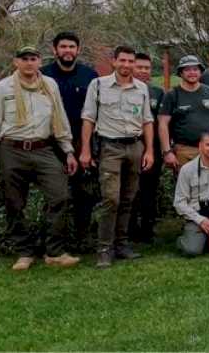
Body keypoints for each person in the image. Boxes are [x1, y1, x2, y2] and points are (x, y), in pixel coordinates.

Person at [0, 46, 81, 271]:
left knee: (60, 196)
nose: (29, 63)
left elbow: (60, 119)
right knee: (14, 202)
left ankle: (54, 251)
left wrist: (68, 151)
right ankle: (24, 252)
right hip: (12, 149)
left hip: (43, 148)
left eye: (33, 59)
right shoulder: (2, 88)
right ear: (16, 62)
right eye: (24, 59)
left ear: (39, 62)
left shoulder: (50, 85)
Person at [80, 46, 155, 268]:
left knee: (128, 198)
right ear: (114, 62)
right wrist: (85, 150)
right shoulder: (99, 85)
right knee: (110, 198)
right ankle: (104, 248)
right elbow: (88, 118)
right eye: (122, 60)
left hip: (135, 146)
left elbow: (147, 120)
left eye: (130, 61)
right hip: (110, 147)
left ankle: (122, 245)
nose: (126, 65)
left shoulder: (141, 88)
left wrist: (149, 149)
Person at [40, 31, 98, 252]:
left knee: (84, 194)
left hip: (82, 143)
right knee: (56, 196)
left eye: (71, 47)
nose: (67, 51)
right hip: (50, 144)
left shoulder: (89, 76)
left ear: (78, 50)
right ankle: (54, 242)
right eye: (63, 46)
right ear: (55, 50)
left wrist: (89, 148)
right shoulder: (43, 75)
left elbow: (94, 112)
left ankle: (82, 239)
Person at [159, 55, 209, 169]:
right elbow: (163, 124)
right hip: (184, 150)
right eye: (187, 69)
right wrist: (167, 152)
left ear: (200, 72)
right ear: (180, 73)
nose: (192, 73)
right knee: (185, 185)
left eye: (195, 69)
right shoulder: (172, 95)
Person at [128, 52, 165, 242]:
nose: (143, 71)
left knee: (150, 190)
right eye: (139, 67)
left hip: (154, 149)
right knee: (130, 191)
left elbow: (164, 122)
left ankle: (148, 230)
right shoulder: (125, 91)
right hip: (130, 146)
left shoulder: (158, 93)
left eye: (147, 68)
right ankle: (130, 230)